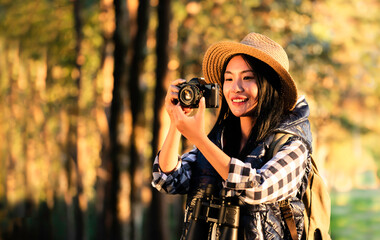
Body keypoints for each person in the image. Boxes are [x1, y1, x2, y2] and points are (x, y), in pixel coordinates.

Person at [152, 32, 312, 240]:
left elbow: (257, 189)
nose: (235, 88)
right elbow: (167, 180)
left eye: (247, 78)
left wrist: (198, 138)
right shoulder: (221, 139)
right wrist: (176, 121)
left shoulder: (292, 142)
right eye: (228, 79)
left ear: (269, 84)